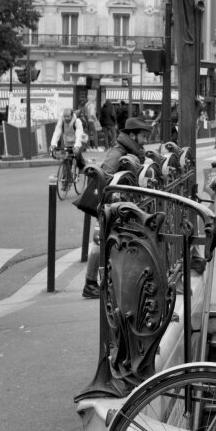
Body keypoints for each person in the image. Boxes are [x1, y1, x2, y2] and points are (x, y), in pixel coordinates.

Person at [79, 116, 156, 299]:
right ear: (132, 135)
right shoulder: (118, 151)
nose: (145, 140)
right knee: (101, 240)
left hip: (121, 203)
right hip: (111, 204)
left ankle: (111, 280)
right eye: (143, 136)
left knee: (111, 240)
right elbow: (105, 175)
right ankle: (90, 283)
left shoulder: (132, 150)